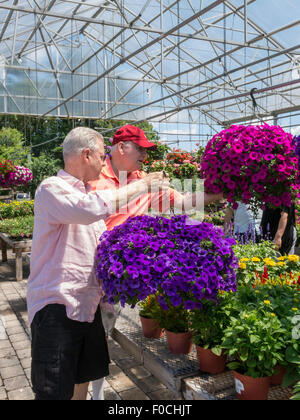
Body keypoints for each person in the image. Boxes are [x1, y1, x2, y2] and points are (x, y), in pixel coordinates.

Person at [27, 127, 168, 400]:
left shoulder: (84, 193)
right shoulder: (51, 189)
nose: (105, 163)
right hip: (57, 309)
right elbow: (88, 209)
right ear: (87, 154)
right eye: (103, 156)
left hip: (87, 308)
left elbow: (102, 249)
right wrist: (144, 184)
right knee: (54, 393)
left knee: (82, 381)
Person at [89, 124, 223, 400]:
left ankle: (97, 392)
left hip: (113, 273)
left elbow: (185, 201)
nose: (144, 156)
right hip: (84, 268)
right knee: (82, 335)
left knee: (101, 331)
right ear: (121, 147)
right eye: (140, 149)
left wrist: (224, 191)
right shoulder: (91, 174)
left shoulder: (145, 180)